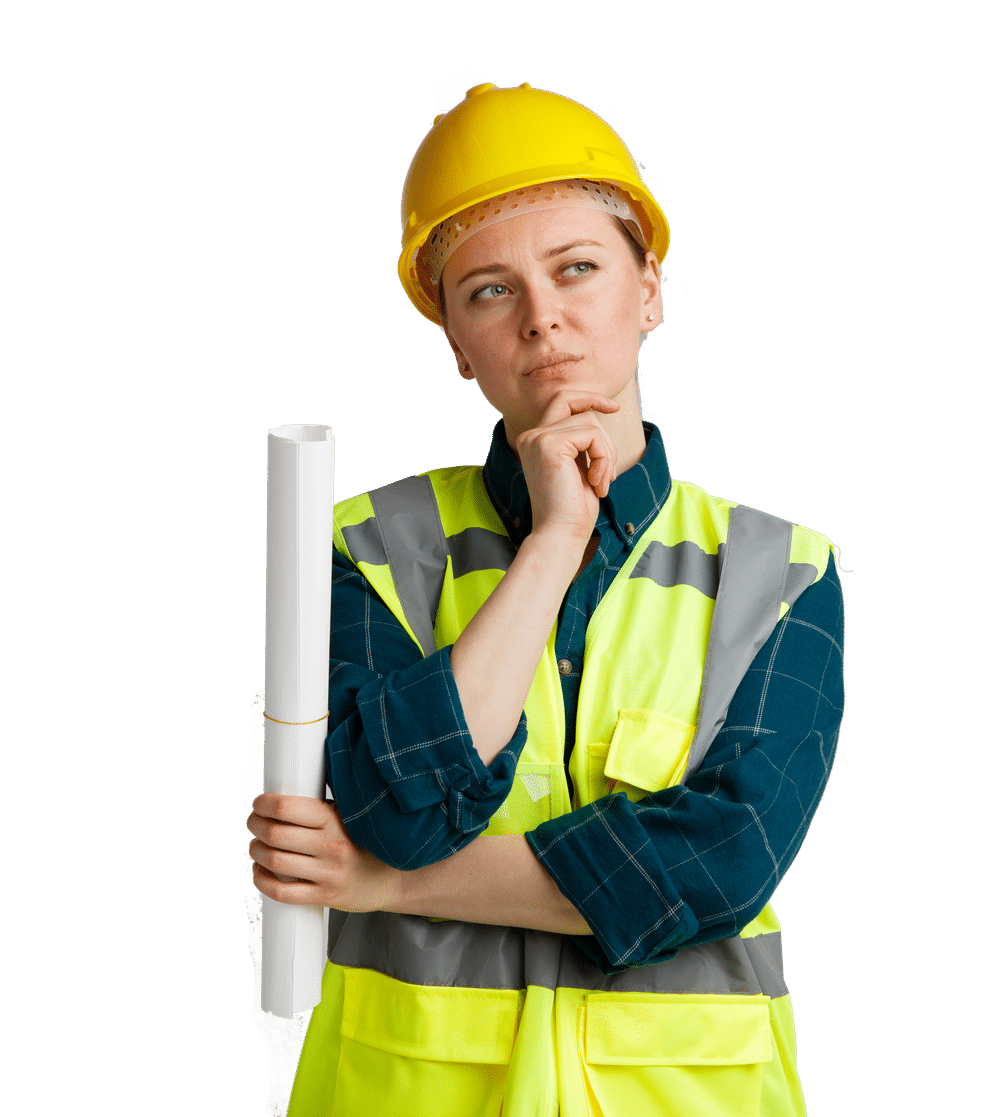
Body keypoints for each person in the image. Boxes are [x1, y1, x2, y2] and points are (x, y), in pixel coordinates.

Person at [247, 80, 846, 1117]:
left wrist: (388, 889)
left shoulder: (780, 567)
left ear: (649, 289)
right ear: (454, 343)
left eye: (577, 268)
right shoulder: (367, 546)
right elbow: (401, 809)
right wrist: (556, 539)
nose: (544, 320)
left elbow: (719, 862)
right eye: (489, 291)